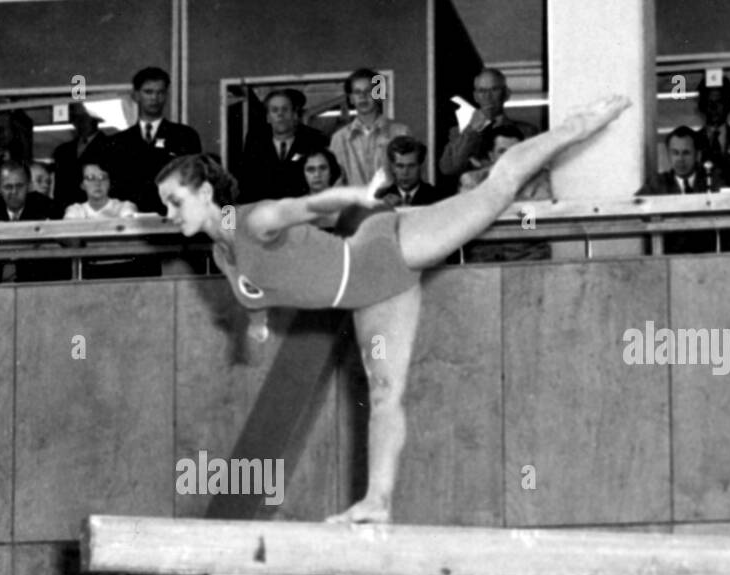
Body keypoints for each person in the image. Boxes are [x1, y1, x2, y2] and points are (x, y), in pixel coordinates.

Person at [155, 95, 629, 523]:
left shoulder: (253, 221)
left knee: (494, 190)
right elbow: (256, 291)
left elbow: (308, 203)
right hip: (369, 295)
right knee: (383, 393)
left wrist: (357, 196)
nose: (170, 214)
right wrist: (255, 326)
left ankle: (576, 125)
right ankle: (377, 503)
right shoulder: (222, 253)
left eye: (175, 202)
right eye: (165, 206)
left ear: (205, 193)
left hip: (388, 250)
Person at [106, 66, 201, 216]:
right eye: (148, 92)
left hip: (173, 219)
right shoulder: (117, 142)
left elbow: (194, 181)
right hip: (129, 222)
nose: (154, 98)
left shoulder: (185, 136)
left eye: (160, 92)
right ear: (136, 95)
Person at [438, 67, 538, 187]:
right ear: (475, 96)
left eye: (494, 90)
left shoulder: (526, 131)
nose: (487, 97)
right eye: (482, 91)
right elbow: (449, 168)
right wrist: (472, 129)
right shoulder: (459, 133)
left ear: (506, 94)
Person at [236, 88, 329, 203]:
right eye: (274, 110)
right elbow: (244, 187)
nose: (280, 114)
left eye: (285, 109)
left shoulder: (314, 140)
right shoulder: (255, 144)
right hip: (264, 215)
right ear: (268, 117)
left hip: (302, 213)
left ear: (295, 115)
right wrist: (229, 221)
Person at [636, 126, 719, 254]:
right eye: (675, 153)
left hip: (707, 256)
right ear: (668, 154)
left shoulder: (712, 181)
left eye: (686, 153)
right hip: (668, 257)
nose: (680, 159)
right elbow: (635, 212)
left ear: (697, 154)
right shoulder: (657, 184)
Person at [329, 67, 411, 187]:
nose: (363, 96)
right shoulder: (339, 139)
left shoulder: (401, 133)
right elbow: (336, 184)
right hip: (354, 205)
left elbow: (410, 178)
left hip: (392, 204)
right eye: (357, 92)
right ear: (351, 98)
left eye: (368, 91)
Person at [51, 103, 111, 213]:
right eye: (76, 118)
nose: (79, 123)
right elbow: (59, 189)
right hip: (66, 210)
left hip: (98, 210)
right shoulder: (62, 151)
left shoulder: (111, 147)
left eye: (84, 118)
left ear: (95, 120)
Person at [695, 77, 730, 185]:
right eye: (708, 102)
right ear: (702, 106)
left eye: (719, 102)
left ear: (729, 106)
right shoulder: (693, 140)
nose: (713, 108)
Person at [379, 136, 443, 207]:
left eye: (411, 166)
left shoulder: (438, 199)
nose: (405, 172)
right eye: (400, 166)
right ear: (393, 167)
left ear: (421, 166)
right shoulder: (380, 198)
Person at [63, 160, 138, 220]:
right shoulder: (75, 210)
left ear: (109, 183)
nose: (97, 183)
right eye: (90, 178)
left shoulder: (124, 207)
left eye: (102, 177)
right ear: (82, 185)